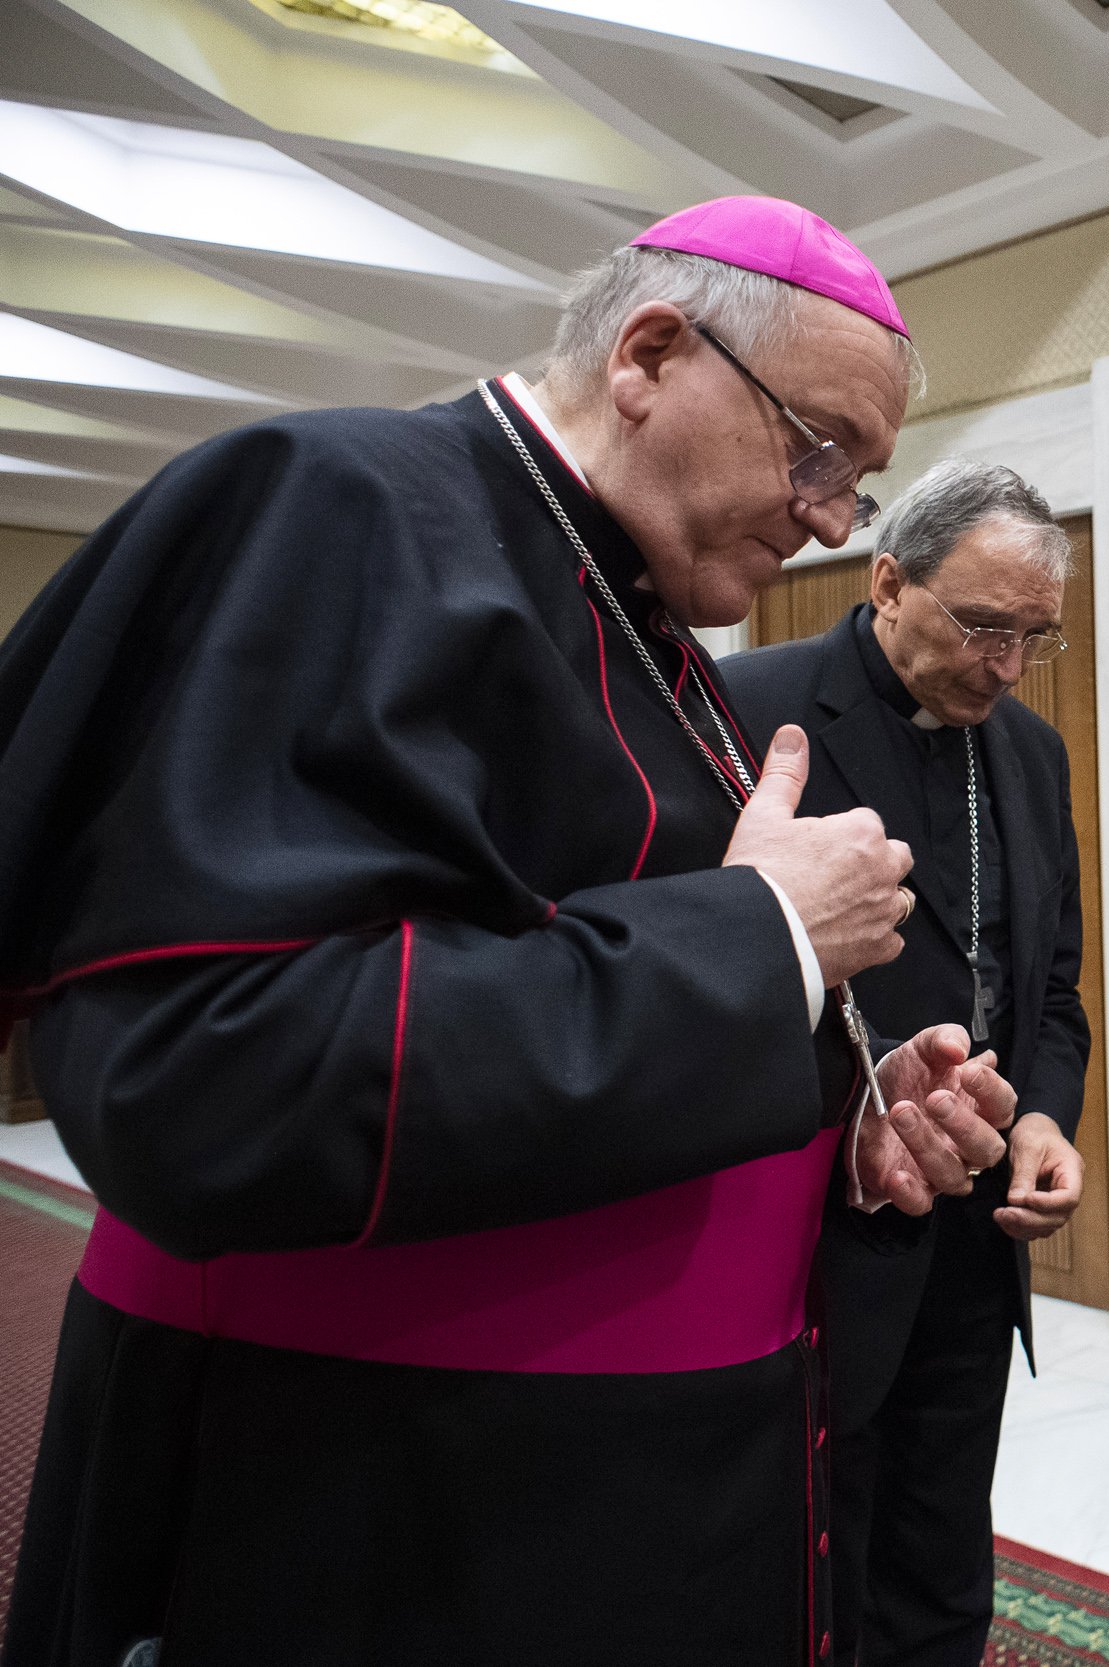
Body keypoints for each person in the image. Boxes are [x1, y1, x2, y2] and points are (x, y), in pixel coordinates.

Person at [0, 196, 1018, 1667]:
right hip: (382, 1495)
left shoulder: (652, 629)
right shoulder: (336, 503)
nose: (825, 514)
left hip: (623, 1482)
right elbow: (201, 1078)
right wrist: (762, 942)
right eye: (817, 450)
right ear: (652, 352)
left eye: (853, 479)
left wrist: (836, 1116)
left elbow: (581, 998)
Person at [722, 458, 1090, 1667]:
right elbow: (699, 978)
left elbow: (1047, 988)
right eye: (984, 627)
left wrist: (1042, 1115)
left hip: (974, 1229)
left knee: (942, 1533)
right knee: (815, 1539)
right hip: (814, 1225)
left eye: (1035, 635)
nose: (1007, 665)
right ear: (888, 580)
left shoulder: (1029, 753)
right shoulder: (752, 712)